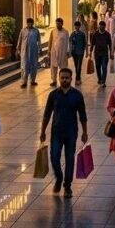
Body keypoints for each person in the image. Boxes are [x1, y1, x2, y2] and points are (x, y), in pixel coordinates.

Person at [40, 68, 89, 197]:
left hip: (71, 132)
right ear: (59, 78)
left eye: (67, 78)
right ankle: (59, 178)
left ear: (71, 79)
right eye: (62, 77)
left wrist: (85, 132)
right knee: (54, 157)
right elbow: (47, 114)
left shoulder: (77, 96)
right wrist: (43, 131)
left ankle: (67, 186)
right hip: (56, 132)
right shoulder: (53, 95)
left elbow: (83, 115)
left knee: (69, 159)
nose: (64, 80)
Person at [17, 18, 42, 87]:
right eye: (28, 23)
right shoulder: (23, 30)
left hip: (33, 51)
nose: (29, 24)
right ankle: (24, 82)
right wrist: (17, 49)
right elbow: (20, 40)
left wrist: (40, 49)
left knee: (34, 66)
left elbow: (39, 41)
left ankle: (32, 81)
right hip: (24, 51)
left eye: (31, 23)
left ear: (33, 23)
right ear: (27, 23)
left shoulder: (36, 31)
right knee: (24, 66)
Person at [90, 21, 112, 87]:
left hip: (104, 53)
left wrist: (111, 52)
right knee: (97, 66)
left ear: (105, 27)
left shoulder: (107, 34)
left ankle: (103, 81)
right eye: (100, 26)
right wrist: (90, 52)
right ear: (99, 26)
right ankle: (99, 79)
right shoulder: (95, 34)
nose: (101, 27)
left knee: (104, 67)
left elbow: (110, 44)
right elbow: (92, 44)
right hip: (97, 53)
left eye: (102, 26)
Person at [49, 18, 70, 87]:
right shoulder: (53, 31)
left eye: (59, 23)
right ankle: (54, 81)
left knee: (63, 68)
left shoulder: (65, 32)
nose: (57, 25)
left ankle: (64, 81)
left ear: (62, 24)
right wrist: (49, 50)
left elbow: (68, 42)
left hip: (63, 52)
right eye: (56, 23)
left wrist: (68, 51)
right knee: (53, 67)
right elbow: (50, 41)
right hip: (54, 52)